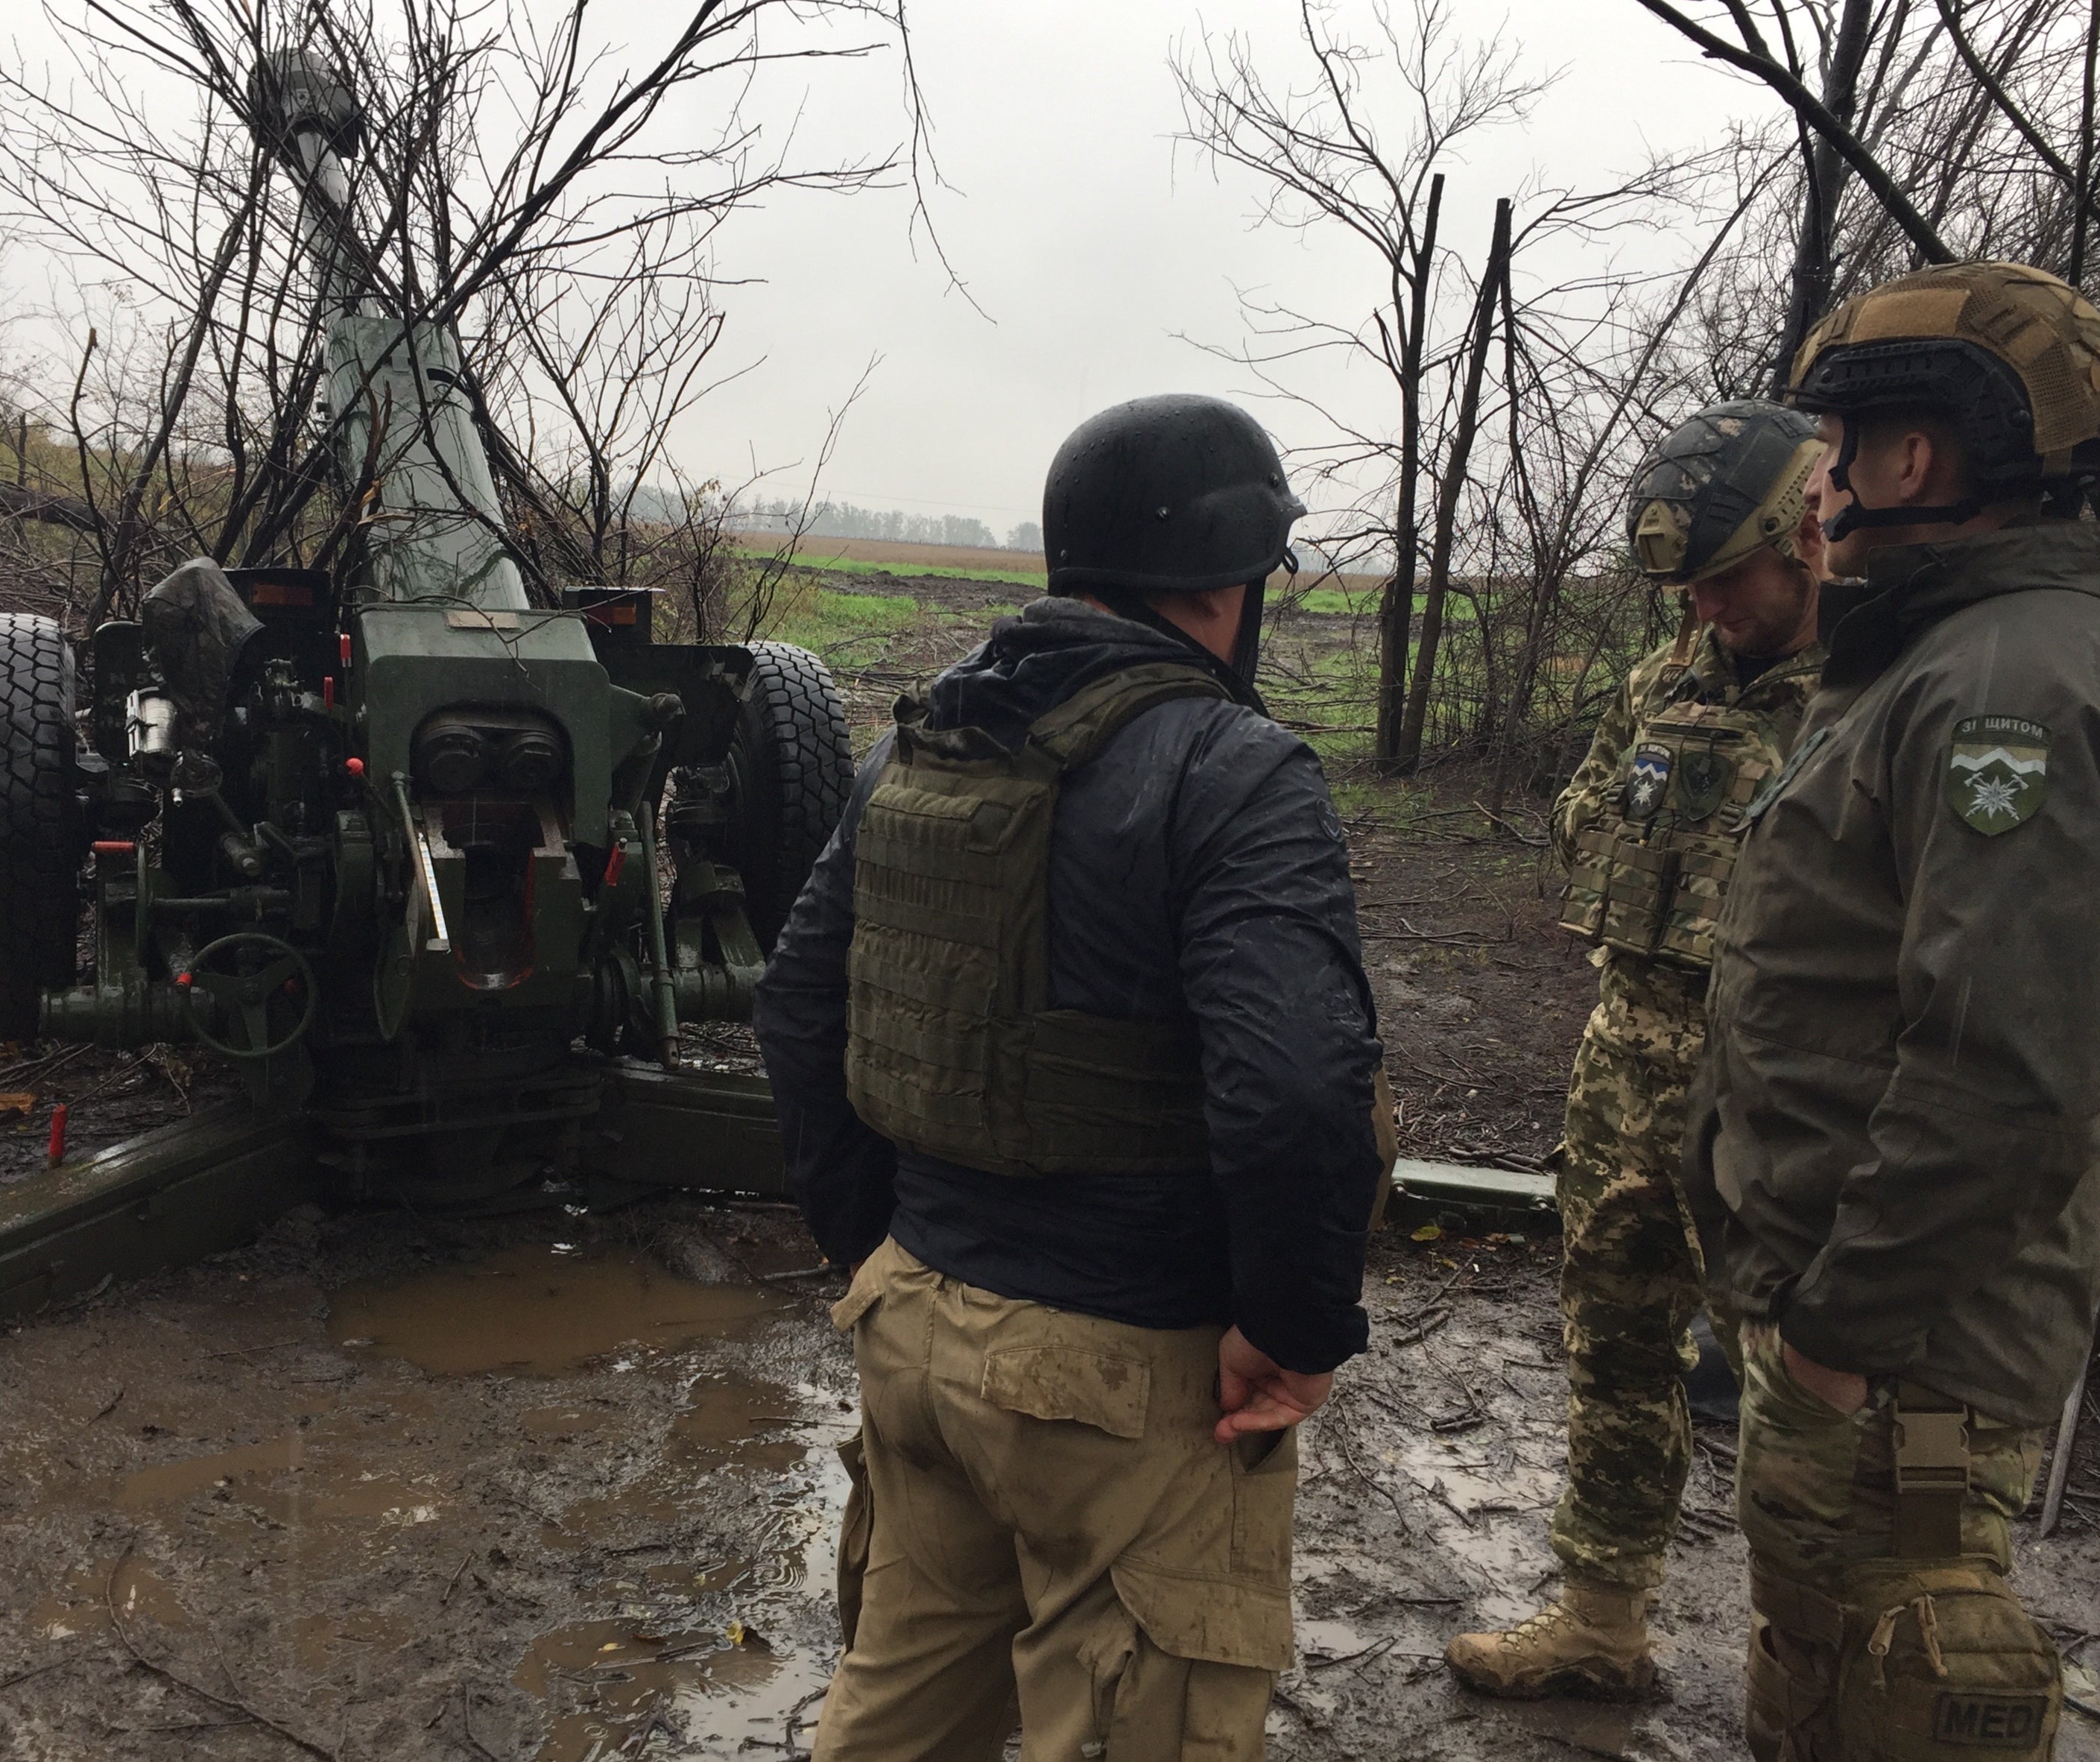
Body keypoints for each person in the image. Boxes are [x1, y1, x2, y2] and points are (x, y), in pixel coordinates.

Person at [753, 394, 1385, 1761]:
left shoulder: (915, 750)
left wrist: (889, 1254)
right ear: (1227, 583)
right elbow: (1296, 1093)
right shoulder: (1236, 769)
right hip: (1126, 1376)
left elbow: (800, 1010)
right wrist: (1289, 1326)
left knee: (897, 1717)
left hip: (916, 1332)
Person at [1690, 262, 2100, 1762]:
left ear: (1913, 459)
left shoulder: (2012, 687)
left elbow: (2005, 1074)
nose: (1827, 492)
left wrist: (1831, 1338)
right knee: (1817, 1687)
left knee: (1893, 1692)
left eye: (1844, 450)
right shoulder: (1935, 660)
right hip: (1857, 1330)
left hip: (1904, 1362)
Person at [1448, 400, 1829, 1701]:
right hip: (1627, 1071)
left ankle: (1821, 1674)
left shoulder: (1874, 699)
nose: (1709, 607)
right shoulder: (1663, 682)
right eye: (1690, 585)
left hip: (1786, 1106)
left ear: (1809, 536)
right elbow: (1583, 813)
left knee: (1804, 1406)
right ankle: (1601, 1621)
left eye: (1729, 579)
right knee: (1613, 1351)